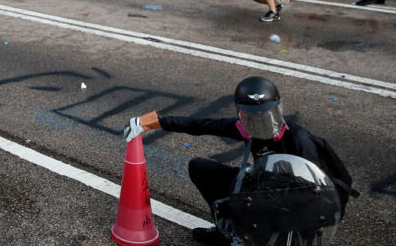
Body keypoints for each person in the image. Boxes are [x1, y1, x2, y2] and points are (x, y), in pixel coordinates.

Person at [123, 76, 355, 246]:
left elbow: (320, 191)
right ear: (242, 115)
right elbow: (200, 125)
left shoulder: (299, 139)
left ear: (278, 110)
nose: (260, 122)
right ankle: (228, 232)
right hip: (261, 190)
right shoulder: (244, 128)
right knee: (200, 167)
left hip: (291, 204)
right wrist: (151, 122)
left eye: (266, 114)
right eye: (253, 117)